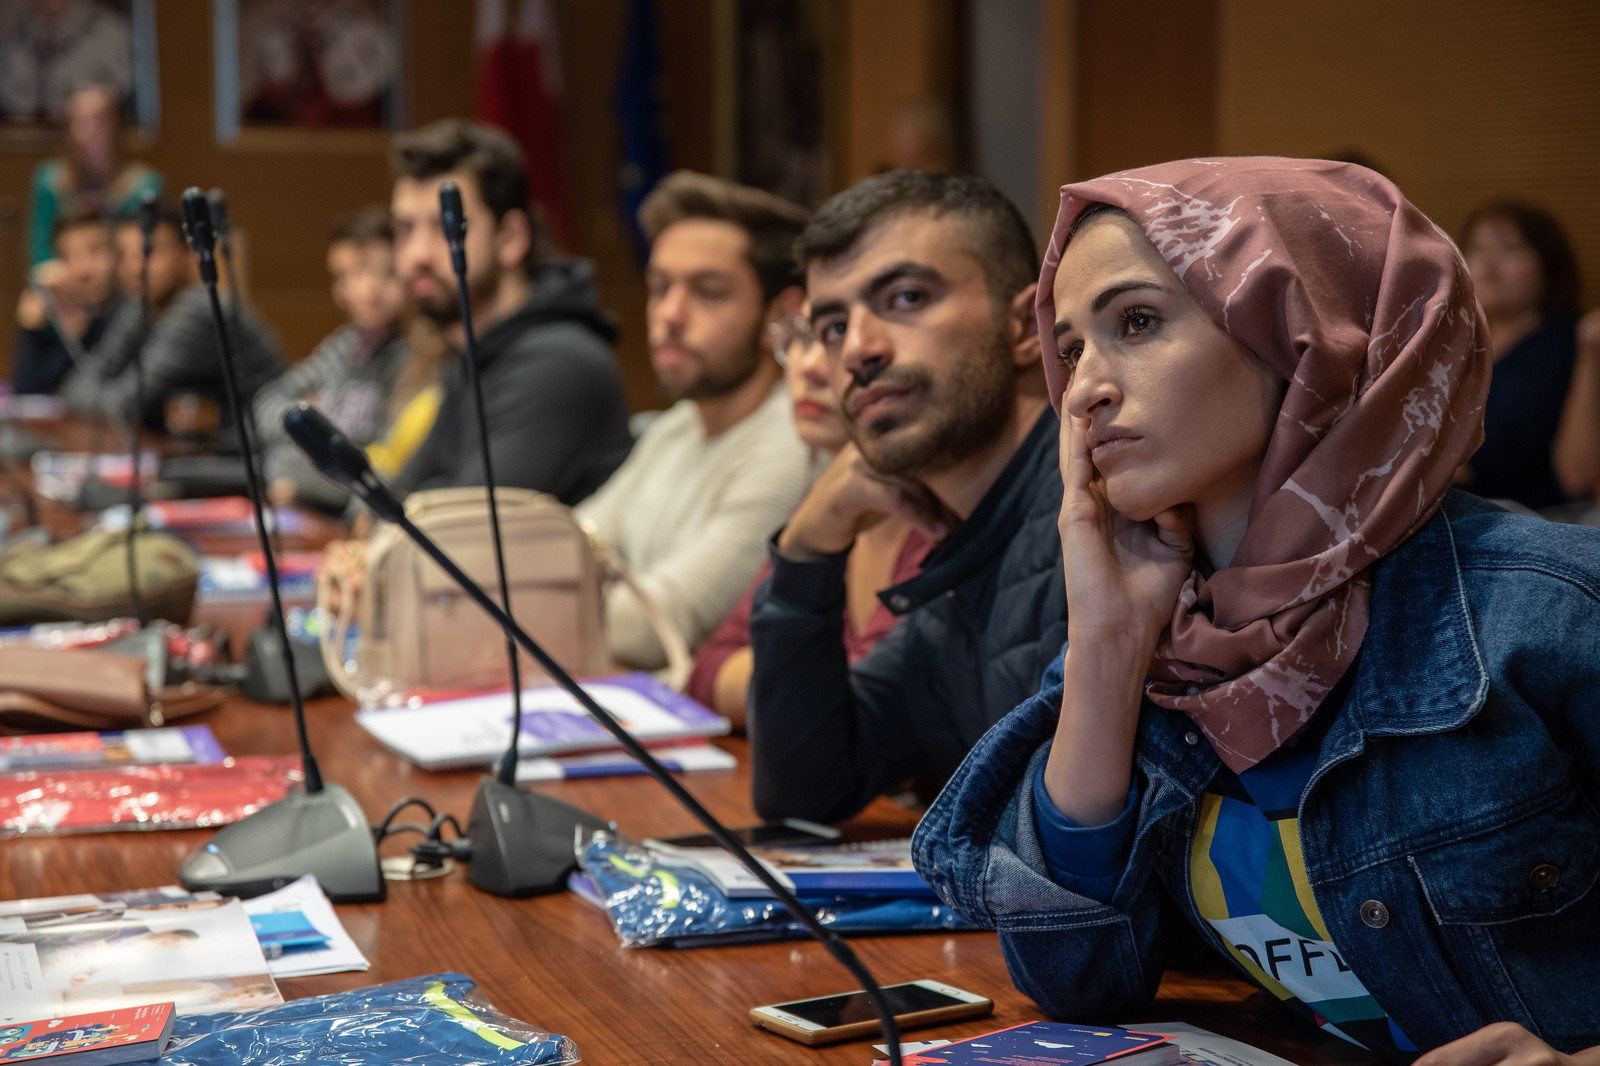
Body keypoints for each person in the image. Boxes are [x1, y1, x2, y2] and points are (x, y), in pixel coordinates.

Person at [914, 158, 1600, 1060]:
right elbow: (1075, 977)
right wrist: (1107, 647)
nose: (1081, 391)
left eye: (1138, 322)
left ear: (1311, 335)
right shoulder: (1164, 631)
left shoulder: (1550, 608)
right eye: (1071, 348)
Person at [747, 170, 1064, 824]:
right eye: (833, 327)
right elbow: (806, 791)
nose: (858, 351)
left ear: (1026, 327)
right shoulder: (964, 558)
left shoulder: (1098, 515)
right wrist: (806, 550)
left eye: (907, 297)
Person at [575, 171, 824, 671]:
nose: (669, 314)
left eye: (707, 292)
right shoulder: (678, 426)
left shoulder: (796, 444)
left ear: (782, 315)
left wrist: (512, 604)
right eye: (659, 287)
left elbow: (654, 626)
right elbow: (567, 544)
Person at [684, 307, 930, 726]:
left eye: (834, 335)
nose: (809, 367)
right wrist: (796, 685)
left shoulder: (941, 516)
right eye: (802, 337)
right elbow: (706, 672)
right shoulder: (821, 502)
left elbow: (862, 706)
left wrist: (783, 680)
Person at [384, 119, 632, 504]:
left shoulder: (560, 362)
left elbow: (467, 523)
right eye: (405, 230)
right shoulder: (475, 351)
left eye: (445, 228)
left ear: (511, 238)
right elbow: (394, 497)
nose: (417, 254)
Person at [60, 203, 284, 435]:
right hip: (194, 444)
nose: (135, 267)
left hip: (252, 444)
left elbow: (127, 402)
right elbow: (76, 384)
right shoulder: (140, 306)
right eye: (125, 255)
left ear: (187, 255)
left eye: (150, 252)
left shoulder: (198, 309)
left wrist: (93, 397)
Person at [254, 206, 411, 512]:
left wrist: (312, 436)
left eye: (376, 272)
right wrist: (311, 420)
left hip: (352, 515)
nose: (363, 289)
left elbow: (382, 472)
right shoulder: (342, 345)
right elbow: (264, 406)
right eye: (342, 277)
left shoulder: (413, 358)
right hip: (308, 506)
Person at [1457, 201, 1585, 510]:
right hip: (1460, 505)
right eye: (1478, 249)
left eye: (1511, 248)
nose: (1489, 266)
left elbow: (1491, 457)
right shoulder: (1453, 341)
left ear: (1549, 265)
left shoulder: (1565, 343)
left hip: (1534, 514)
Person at [25, 84, 160, 265]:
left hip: (123, 273)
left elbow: (147, 248)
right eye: (81, 121)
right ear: (69, 128)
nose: (90, 130)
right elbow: (40, 249)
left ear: (116, 125)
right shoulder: (50, 180)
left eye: (99, 121)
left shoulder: (144, 184)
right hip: (66, 273)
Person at [12, 210, 123, 394]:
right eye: (68, 257)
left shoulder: (132, 313)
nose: (83, 270)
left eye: (95, 251)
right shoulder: (79, 316)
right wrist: (31, 328)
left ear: (119, 254)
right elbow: (29, 390)